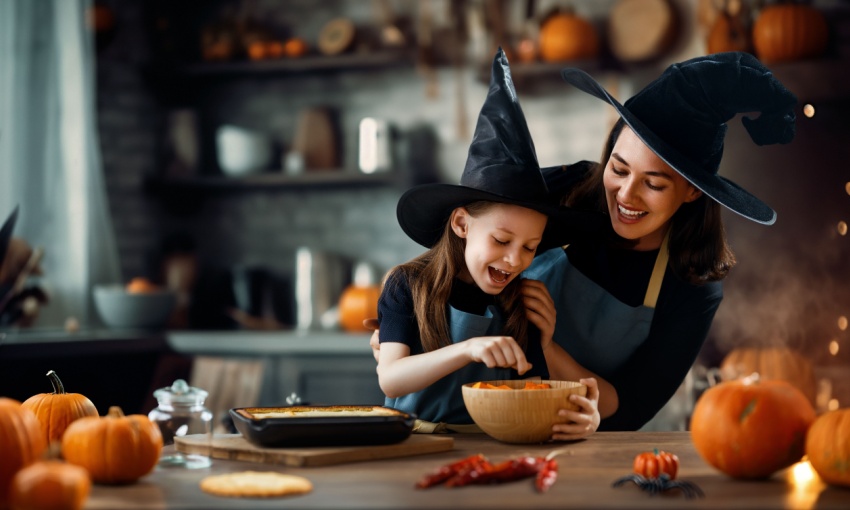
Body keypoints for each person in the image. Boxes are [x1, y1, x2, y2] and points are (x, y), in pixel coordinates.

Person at [522, 51, 798, 431]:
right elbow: (462, 247)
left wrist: (546, 348)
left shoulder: (693, 284)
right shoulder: (563, 191)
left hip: (571, 436)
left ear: (692, 192)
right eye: (618, 169)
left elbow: (634, 402)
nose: (626, 196)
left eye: (653, 184)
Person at [377, 48, 601, 439]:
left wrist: (583, 411)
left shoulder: (522, 303)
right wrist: (468, 349)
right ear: (462, 223)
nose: (515, 260)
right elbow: (392, 380)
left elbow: (533, 391)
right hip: (410, 446)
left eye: (531, 247)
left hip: (492, 448)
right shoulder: (406, 284)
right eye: (501, 239)